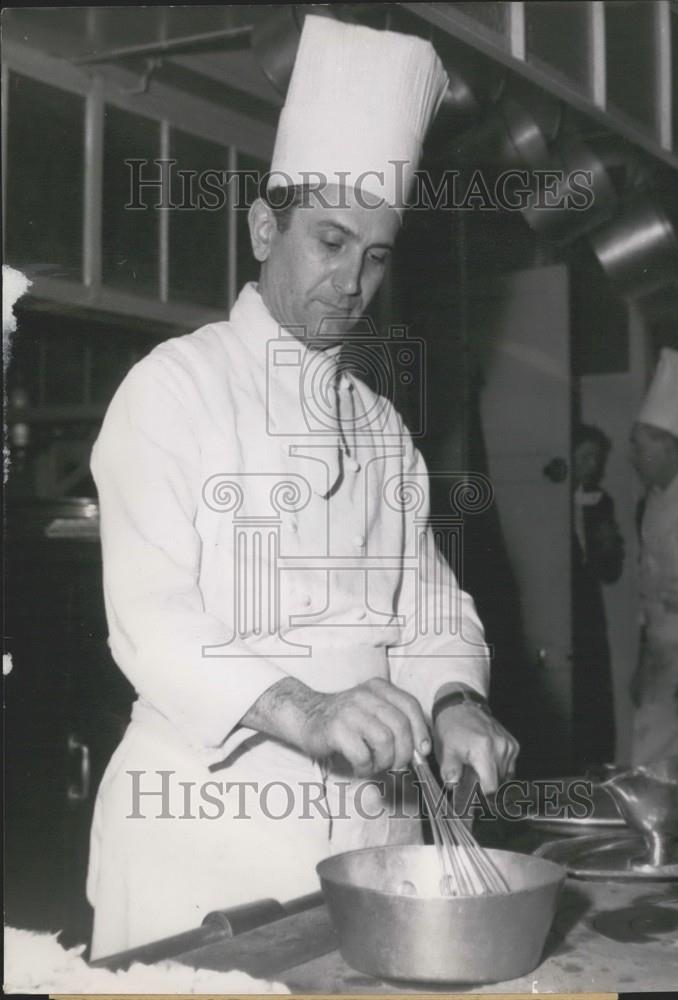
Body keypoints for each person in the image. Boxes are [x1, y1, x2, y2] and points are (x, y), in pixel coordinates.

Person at [86, 16, 518, 959]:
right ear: (261, 226)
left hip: (371, 842)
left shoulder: (380, 427)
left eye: (375, 254)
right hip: (206, 843)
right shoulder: (174, 386)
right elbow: (151, 618)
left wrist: (453, 702)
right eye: (328, 240)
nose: (351, 281)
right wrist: (312, 710)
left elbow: (431, 610)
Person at [629, 347, 678, 766]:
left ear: (669, 445)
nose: (633, 457)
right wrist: (641, 660)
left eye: (640, 446)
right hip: (662, 658)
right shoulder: (650, 503)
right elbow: (647, 594)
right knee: (652, 769)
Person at [571, 424, 624, 767]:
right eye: (586, 457)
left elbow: (610, 571)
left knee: (592, 687)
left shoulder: (601, 503)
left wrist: (608, 545)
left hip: (586, 607)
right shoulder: (547, 497)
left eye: (598, 459)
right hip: (558, 602)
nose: (594, 466)